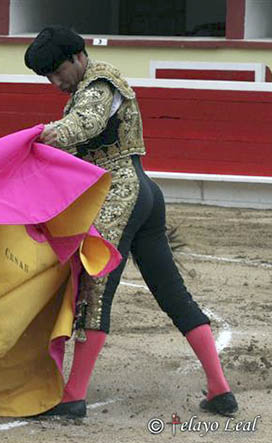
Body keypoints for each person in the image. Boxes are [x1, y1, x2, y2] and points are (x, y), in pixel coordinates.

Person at [24, 26, 238, 418]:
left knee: (94, 286)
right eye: (47, 77)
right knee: (173, 294)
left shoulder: (99, 85)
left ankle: (73, 397)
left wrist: (44, 135)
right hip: (144, 194)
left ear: (76, 57)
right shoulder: (88, 87)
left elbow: (84, 125)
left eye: (57, 71)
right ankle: (220, 389)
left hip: (121, 194)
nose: (55, 82)